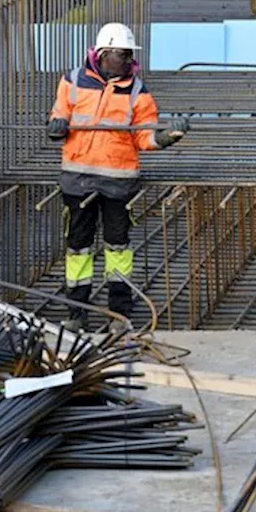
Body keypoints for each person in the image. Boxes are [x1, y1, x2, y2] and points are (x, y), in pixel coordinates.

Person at [48, 22, 188, 333]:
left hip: (118, 182)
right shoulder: (72, 80)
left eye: (130, 56)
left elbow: (144, 139)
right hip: (77, 179)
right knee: (78, 248)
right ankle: (76, 312)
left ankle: (119, 313)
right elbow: (60, 112)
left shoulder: (138, 92)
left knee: (118, 249)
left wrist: (166, 138)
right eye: (123, 55)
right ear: (103, 54)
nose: (129, 62)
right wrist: (57, 124)